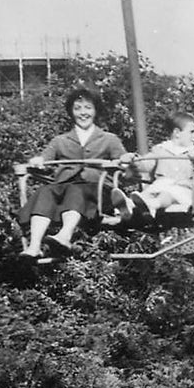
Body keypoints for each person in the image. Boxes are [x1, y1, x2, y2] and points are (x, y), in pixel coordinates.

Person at [18, 88, 130, 261]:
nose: (83, 113)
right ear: (71, 112)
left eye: (88, 108)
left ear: (95, 111)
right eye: (77, 108)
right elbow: (45, 158)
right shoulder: (60, 141)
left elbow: (123, 161)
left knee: (75, 191)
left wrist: (124, 160)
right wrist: (38, 161)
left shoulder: (109, 139)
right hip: (63, 187)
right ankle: (34, 246)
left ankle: (64, 236)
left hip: (97, 193)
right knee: (45, 191)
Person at [111, 112, 194, 222]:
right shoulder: (160, 150)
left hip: (184, 192)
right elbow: (146, 164)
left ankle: (152, 205)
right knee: (149, 193)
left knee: (167, 194)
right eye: (192, 132)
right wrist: (133, 160)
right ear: (177, 133)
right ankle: (129, 205)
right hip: (161, 187)